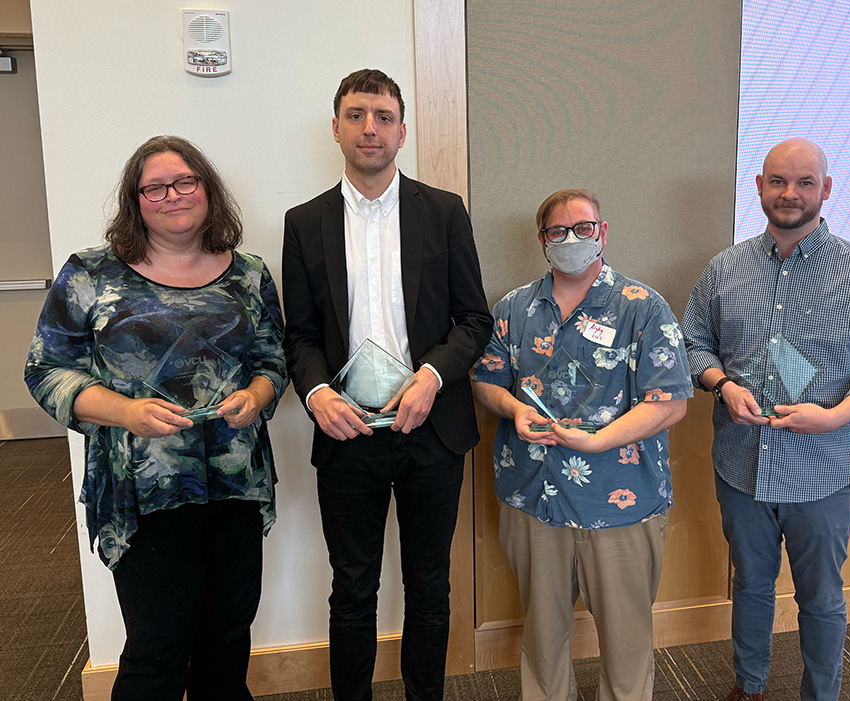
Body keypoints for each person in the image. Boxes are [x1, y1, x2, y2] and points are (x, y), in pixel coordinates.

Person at [24, 135, 288, 700]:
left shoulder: (249, 273)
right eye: (155, 188)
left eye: (185, 182)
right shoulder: (91, 273)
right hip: (145, 490)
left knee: (226, 641)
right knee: (158, 651)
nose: (173, 195)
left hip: (235, 484)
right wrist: (126, 412)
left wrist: (259, 396)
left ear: (208, 190)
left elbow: (272, 360)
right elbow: (46, 372)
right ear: (135, 200)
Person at [281, 69, 492, 701]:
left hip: (432, 429)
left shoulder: (445, 211)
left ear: (402, 130)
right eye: (355, 115)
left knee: (431, 588)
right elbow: (301, 338)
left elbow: (474, 319)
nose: (369, 128)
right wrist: (318, 395)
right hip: (346, 434)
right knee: (352, 588)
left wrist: (430, 377)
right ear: (337, 128)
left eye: (382, 116)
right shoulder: (303, 222)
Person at [682, 138, 850, 701]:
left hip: (823, 473)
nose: (790, 194)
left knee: (820, 596)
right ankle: (751, 686)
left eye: (804, 182)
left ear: (825, 190)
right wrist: (723, 384)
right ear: (760, 187)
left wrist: (837, 416)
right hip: (742, 467)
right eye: (778, 181)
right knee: (751, 588)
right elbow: (693, 345)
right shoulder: (724, 270)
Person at [472, 189, 693, 701]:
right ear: (542, 240)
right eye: (558, 231)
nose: (571, 239)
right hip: (534, 497)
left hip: (620, 502)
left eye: (584, 228)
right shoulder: (516, 307)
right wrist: (514, 409)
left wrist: (598, 441)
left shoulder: (643, 307)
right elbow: (485, 381)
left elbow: (670, 402)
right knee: (544, 639)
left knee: (626, 643)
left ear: (603, 232)